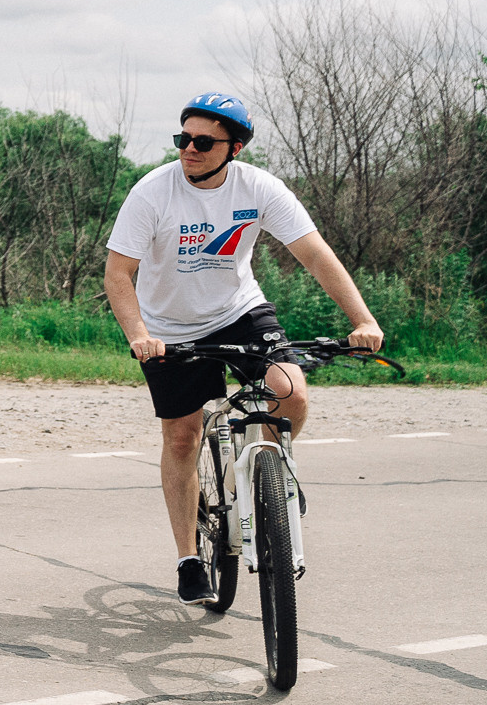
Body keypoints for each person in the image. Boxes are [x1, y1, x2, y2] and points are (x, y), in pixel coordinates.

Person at [104, 92, 384, 603]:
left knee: (291, 392)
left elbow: (315, 256)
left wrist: (361, 318)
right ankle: (190, 557)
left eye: (203, 141)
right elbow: (119, 274)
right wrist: (140, 335)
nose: (189, 149)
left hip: (238, 311)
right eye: (182, 138)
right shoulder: (153, 192)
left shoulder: (258, 188)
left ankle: (272, 478)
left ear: (234, 148)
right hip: (169, 326)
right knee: (183, 437)